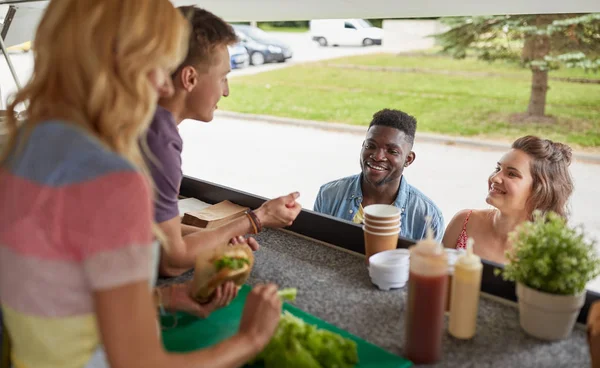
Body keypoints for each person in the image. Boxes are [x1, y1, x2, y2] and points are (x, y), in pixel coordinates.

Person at [0, 1, 282, 368]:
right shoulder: (113, 181)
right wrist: (250, 338)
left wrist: (164, 297)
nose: (165, 87)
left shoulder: (20, 146)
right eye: (156, 65)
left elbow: (56, 294)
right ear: (118, 64)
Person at [144, 6, 302, 277]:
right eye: (222, 77)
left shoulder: (141, 118)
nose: (226, 91)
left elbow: (152, 228)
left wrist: (220, 238)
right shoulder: (159, 141)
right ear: (190, 78)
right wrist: (256, 219)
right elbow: (172, 260)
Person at [314, 108, 444, 241]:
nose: (377, 156)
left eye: (392, 151)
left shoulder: (428, 217)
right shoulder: (329, 195)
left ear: (408, 159)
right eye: (371, 146)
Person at [442, 135, 574, 264]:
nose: (495, 178)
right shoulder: (464, 221)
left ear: (540, 189)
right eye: (498, 169)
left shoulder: (548, 250)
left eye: (511, 174)